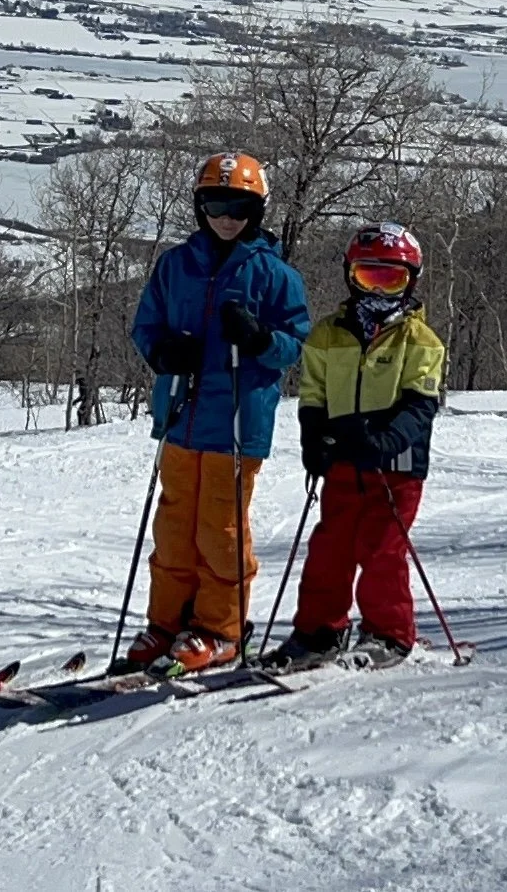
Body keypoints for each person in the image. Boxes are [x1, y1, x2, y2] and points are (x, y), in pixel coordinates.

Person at [126, 153, 311, 673]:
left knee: (220, 530)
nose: (227, 216)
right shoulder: (175, 265)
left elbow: (294, 345)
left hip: (236, 424)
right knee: (174, 527)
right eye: (215, 204)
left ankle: (220, 628)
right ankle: (167, 621)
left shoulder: (275, 276)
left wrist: (260, 339)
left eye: (240, 206)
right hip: (181, 417)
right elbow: (147, 325)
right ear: (199, 205)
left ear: (258, 210)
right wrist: (162, 352)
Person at [264, 222, 445, 672]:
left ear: (411, 281)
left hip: (396, 467)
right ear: (350, 276)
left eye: (392, 279)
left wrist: (384, 441)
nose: (379, 290)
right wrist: (315, 437)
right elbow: (314, 393)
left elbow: (420, 404)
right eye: (369, 277)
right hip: (344, 460)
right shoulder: (329, 333)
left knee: (381, 547)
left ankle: (388, 632)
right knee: (331, 547)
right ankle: (319, 630)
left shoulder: (420, 341)